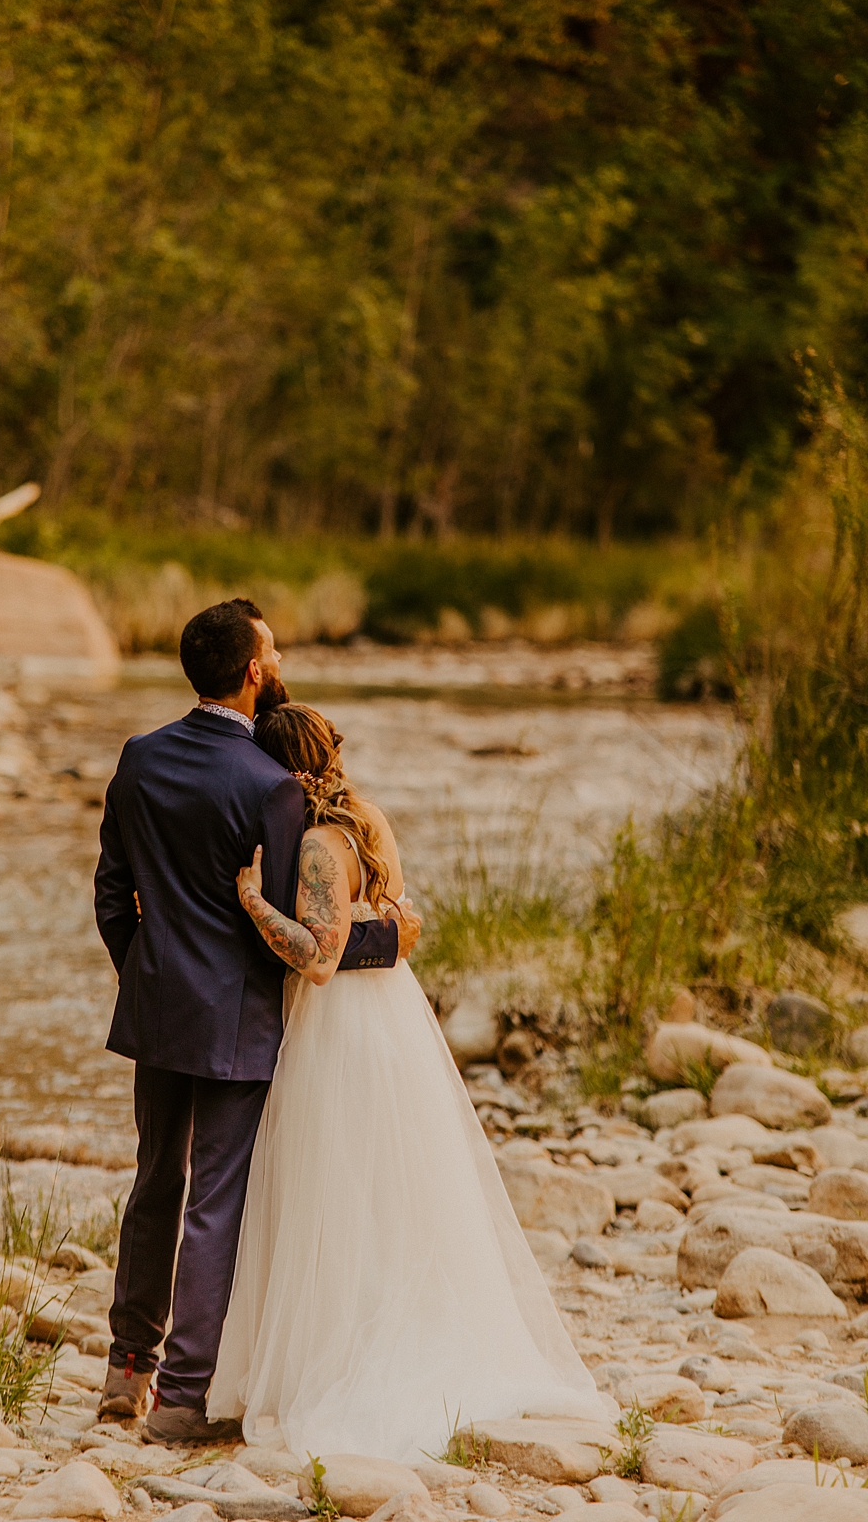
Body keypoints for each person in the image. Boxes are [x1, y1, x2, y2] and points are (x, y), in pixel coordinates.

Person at [210, 701, 614, 1463]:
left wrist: (253, 898)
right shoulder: (369, 817)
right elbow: (400, 916)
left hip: (343, 1029)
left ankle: (348, 1363)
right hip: (391, 1014)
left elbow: (322, 960)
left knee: (338, 1190)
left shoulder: (325, 844)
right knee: (389, 1190)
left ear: (285, 771)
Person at [93, 601, 421, 1444]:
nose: (276, 661)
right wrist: (392, 938)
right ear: (250, 672)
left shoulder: (140, 757)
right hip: (238, 1019)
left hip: (158, 1009)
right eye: (270, 650)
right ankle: (181, 1397)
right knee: (215, 1199)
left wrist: (149, 972)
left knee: (155, 1180)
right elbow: (300, 939)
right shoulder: (271, 788)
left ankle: (125, 1368)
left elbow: (110, 893)